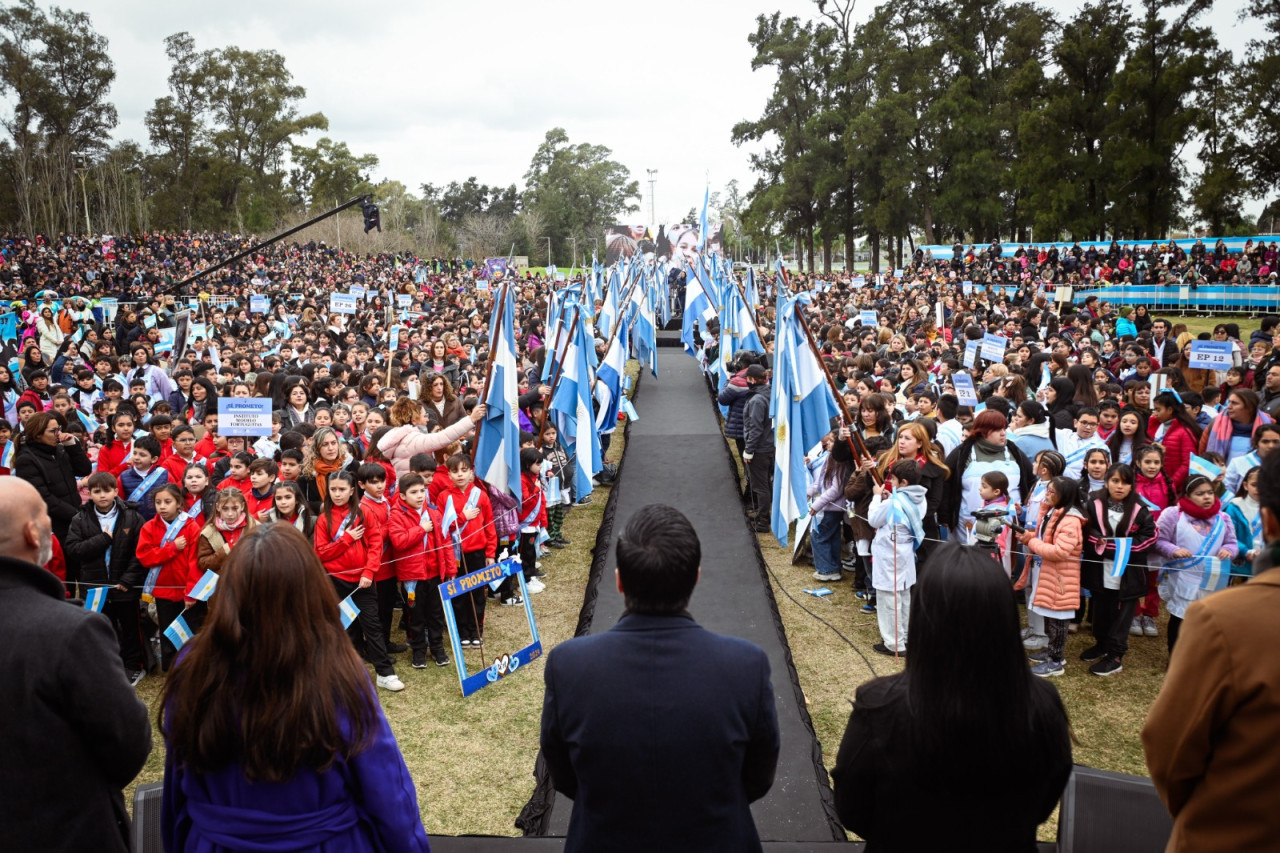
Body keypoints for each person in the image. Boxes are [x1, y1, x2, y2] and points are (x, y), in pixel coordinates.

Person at [159, 523, 431, 852]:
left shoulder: (193, 664)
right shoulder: (335, 665)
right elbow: (386, 789)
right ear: (311, 588)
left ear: (229, 588)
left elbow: (176, 790)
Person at [540, 504, 780, 852]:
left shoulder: (569, 664)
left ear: (619, 580)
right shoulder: (746, 665)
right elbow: (757, 777)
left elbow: (564, 773)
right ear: (695, 577)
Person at [830, 541, 1072, 850]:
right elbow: (1044, 801)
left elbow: (853, 808)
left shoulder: (879, 707)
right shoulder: (1042, 703)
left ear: (923, 616)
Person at [0, 477, 152, 851]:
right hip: (63, 830)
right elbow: (127, 743)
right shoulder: (72, 632)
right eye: (45, 516)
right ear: (34, 535)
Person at [1142, 449, 1280, 853]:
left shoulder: (1225, 622)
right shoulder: (1174, 517)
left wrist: (1199, 810)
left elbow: (1170, 745)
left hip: (1232, 834)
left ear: (1267, 522)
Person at [1080, 463, 1158, 676]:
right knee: (1100, 607)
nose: (1120, 486)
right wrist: (1105, 545)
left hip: (1128, 572)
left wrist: (1110, 547)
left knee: (1122, 613)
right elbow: (1087, 530)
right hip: (1099, 569)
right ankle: (1101, 643)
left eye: (1126, 482)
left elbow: (1148, 538)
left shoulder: (1140, 509)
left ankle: (1115, 655)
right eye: (1115, 481)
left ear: (1132, 485)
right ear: (1107, 482)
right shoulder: (1093, 503)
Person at [1155, 474, 1239, 654]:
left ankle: (1199, 659)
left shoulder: (1222, 518)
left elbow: (1232, 542)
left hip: (1213, 579)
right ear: (1187, 495)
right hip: (1184, 577)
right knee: (1180, 618)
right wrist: (1173, 550)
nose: (1207, 497)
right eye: (1200, 494)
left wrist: (1229, 550)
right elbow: (1159, 541)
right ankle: (1176, 658)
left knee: (1207, 621)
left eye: (1210, 492)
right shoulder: (1173, 515)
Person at [1016, 477, 1085, 678]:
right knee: (1049, 616)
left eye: (1052, 491)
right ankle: (1051, 653)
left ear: (1065, 495)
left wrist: (1032, 542)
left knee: (1058, 620)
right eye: (1048, 490)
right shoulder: (1053, 512)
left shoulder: (1071, 521)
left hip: (1061, 578)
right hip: (1049, 573)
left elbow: (1059, 552)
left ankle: (1056, 661)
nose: (1047, 494)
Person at [867, 459, 927, 656]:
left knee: (888, 598)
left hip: (889, 553)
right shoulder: (920, 498)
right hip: (906, 552)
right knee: (903, 594)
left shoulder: (895, 502)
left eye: (893, 479)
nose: (890, 482)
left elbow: (874, 519)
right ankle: (906, 637)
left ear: (904, 483)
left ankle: (894, 643)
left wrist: (877, 498)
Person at [740, 364, 774, 532]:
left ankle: (762, 521)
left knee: (761, 486)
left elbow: (755, 427)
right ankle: (764, 514)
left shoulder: (757, 400)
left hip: (760, 448)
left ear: (753, 379)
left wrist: (749, 450)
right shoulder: (769, 394)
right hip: (768, 445)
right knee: (765, 483)